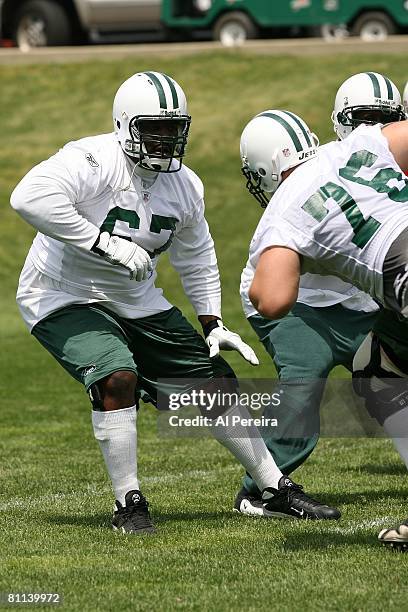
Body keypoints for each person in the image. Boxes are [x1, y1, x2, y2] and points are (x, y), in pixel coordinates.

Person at [11, 71, 340, 535]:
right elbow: (27, 197)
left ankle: (272, 487)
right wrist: (103, 243)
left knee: (214, 383)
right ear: (126, 125)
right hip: (62, 291)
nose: (166, 139)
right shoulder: (92, 158)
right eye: (154, 127)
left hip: (136, 298)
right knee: (116, 374)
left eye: (174, 128)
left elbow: (198, 256)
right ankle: (129, 501)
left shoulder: (185, 185)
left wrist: (212, 323)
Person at [235, 72, 406, 517]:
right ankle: (263, 489)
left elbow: (268, 291)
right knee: (304, 384)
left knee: (385, 378)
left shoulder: (294, 200)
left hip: (362, 296)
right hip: (306, 310)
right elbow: (271, 301)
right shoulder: (356, 150)